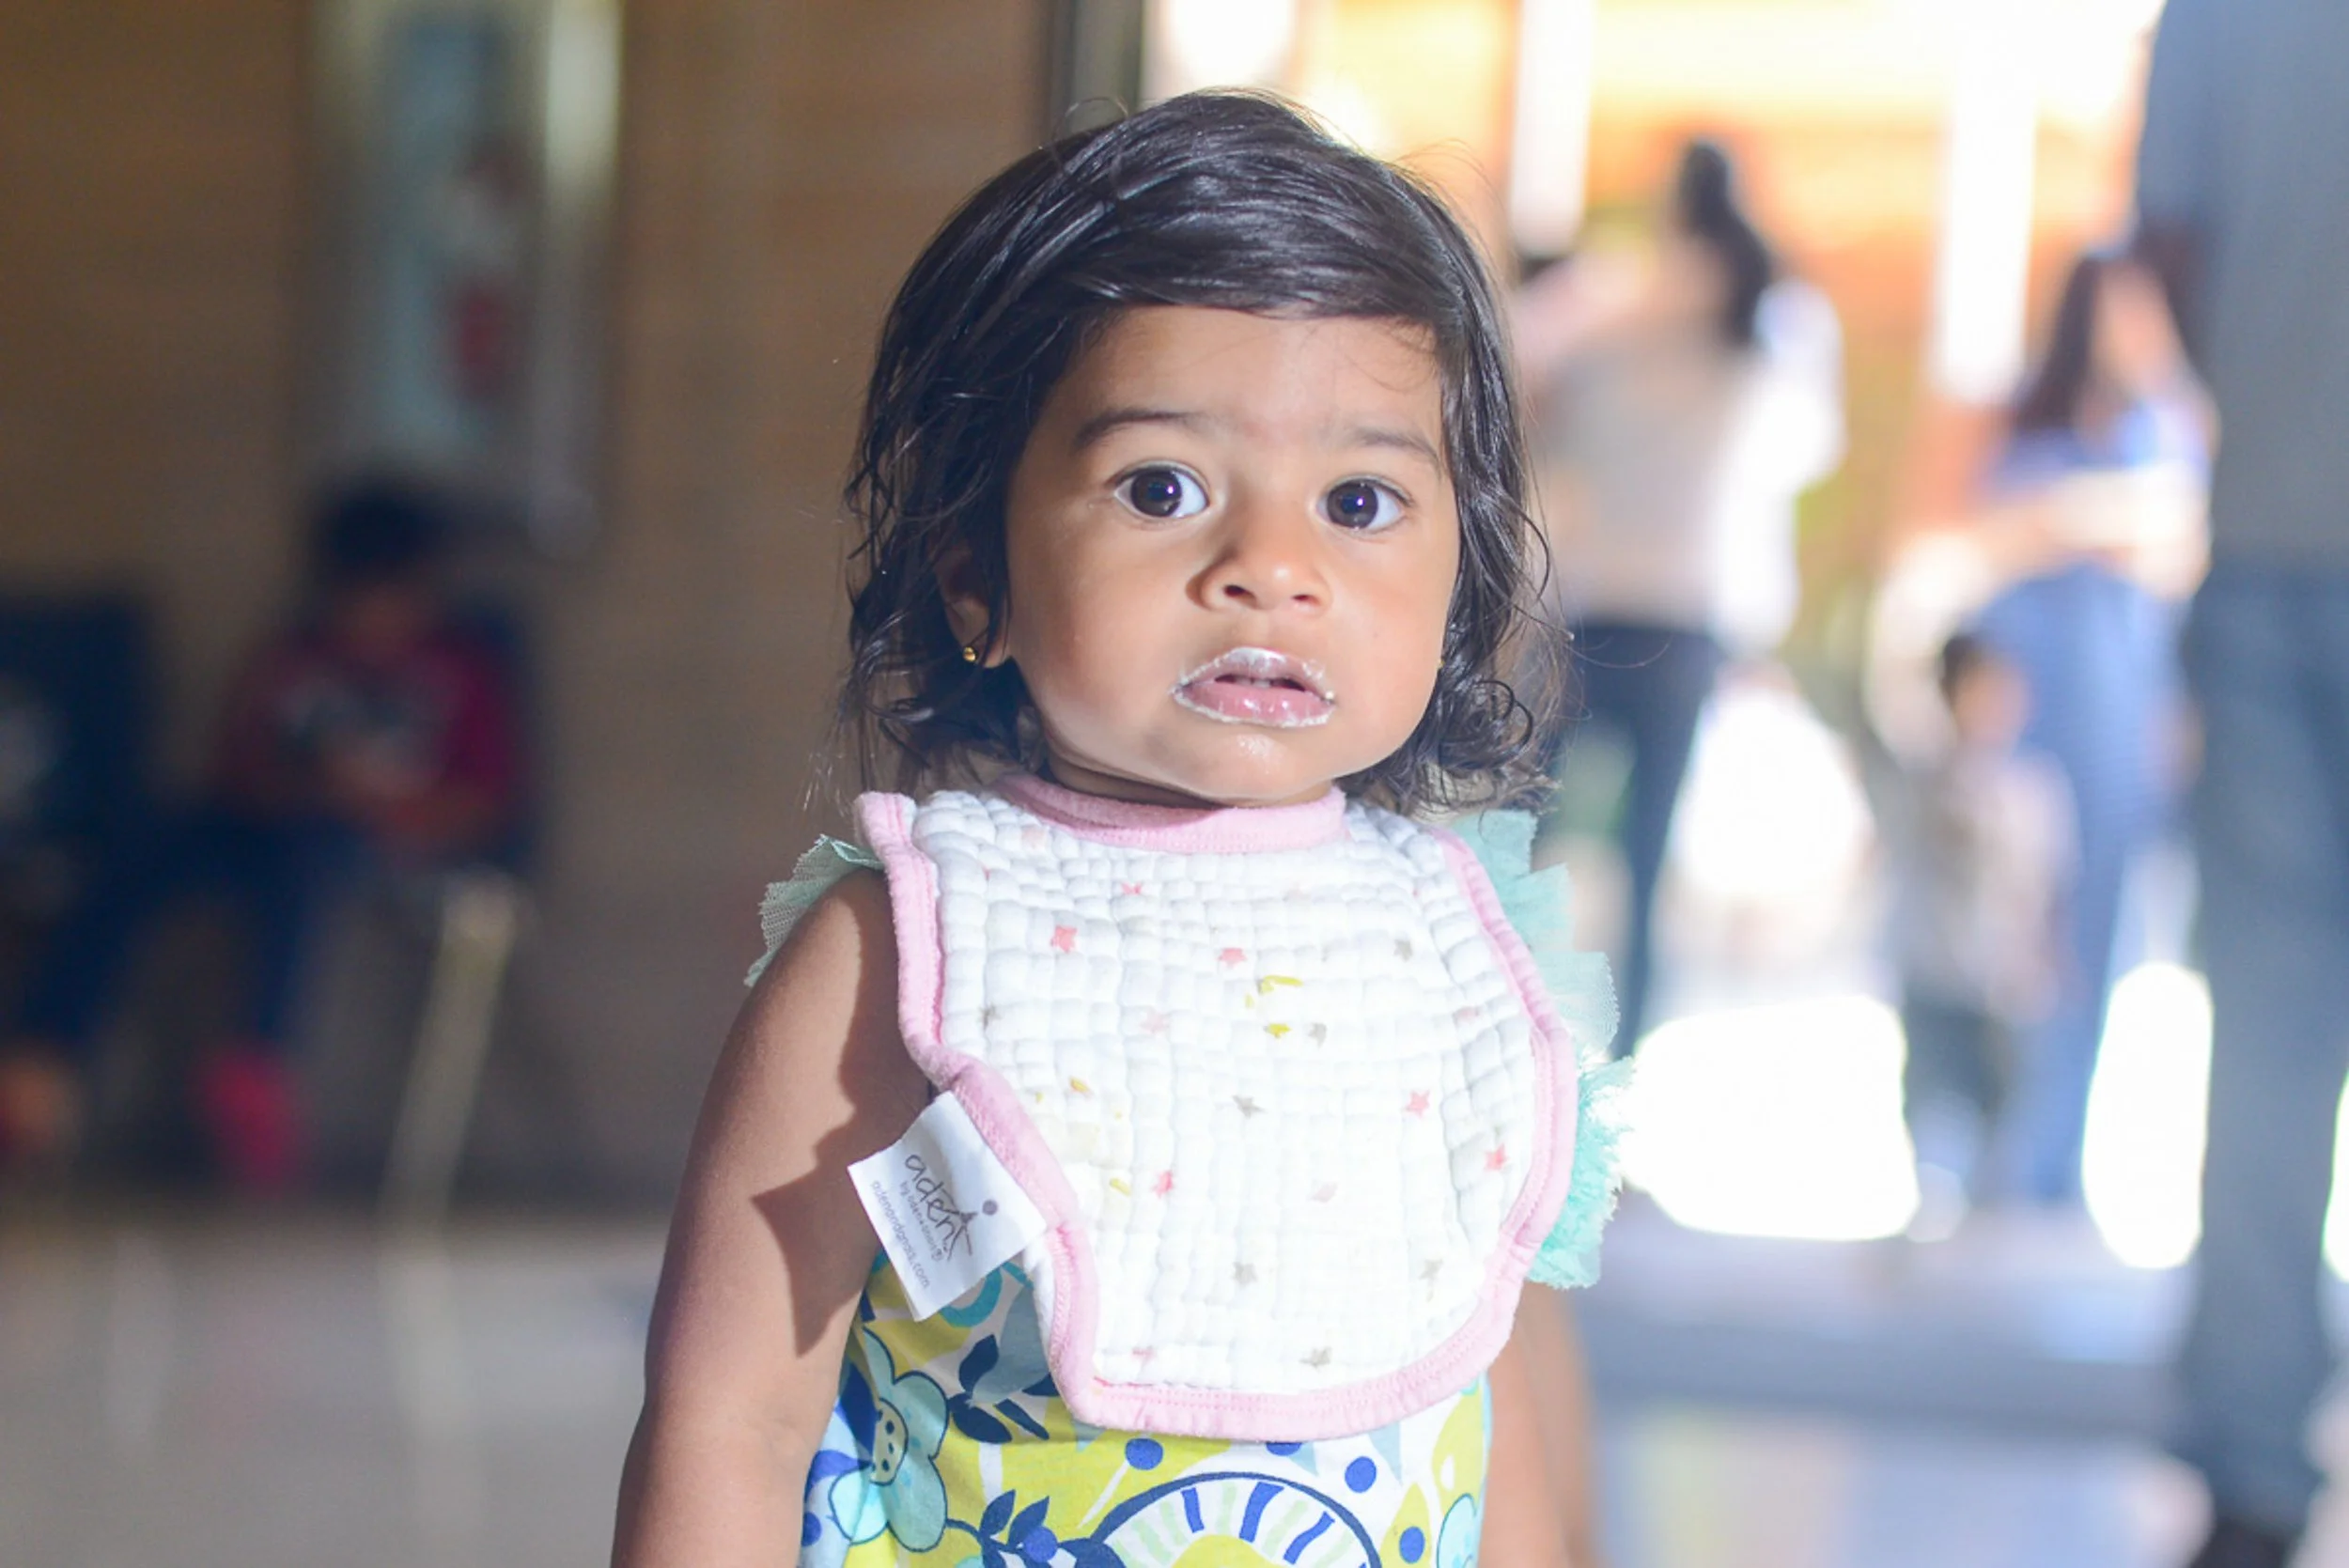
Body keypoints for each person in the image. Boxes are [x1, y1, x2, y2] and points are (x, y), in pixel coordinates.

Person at [612, 94, 1627, 1568]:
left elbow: (1492, 1394)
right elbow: (731, 1419)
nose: (1270, 568)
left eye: (1360, 499)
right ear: (974, 572)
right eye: (1163, 487)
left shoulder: (1465, 958)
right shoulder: (900, 963)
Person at [0, 477, 522, 1190]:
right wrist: (308, 783)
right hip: (268, 826)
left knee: (310, 863)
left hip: (377, 847)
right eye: (353, 596)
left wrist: (382, 804)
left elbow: (490, 801)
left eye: (388, 597)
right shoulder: (294, 657)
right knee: (141, 848)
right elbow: (236, 768)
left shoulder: (463, 671)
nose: (370, 617)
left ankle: (260, 1063)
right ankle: (42, 1059)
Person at [2135, 3, 2349, 1565]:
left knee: (2271, 1028)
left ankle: (2256, 1467)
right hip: (2267, 539)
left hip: (2272, 527)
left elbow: (2175, 248)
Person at [1518, 137, 1843, 1055]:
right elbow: (1806, 451)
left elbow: (1520, 354)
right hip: (1692, 616)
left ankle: (1503, 1037)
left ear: (1673, 204)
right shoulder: (1774, 320)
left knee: (1523, 841)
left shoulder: (1618, 299)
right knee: (1646, 864)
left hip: (1590, 604)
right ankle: (1621, 1074)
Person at [1967, 249, 2204, 1205]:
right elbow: (1996, 541)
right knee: (2014, 937)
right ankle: (1992, 1134)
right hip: (2031, 720)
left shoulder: (2167, 430)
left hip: (2119, 727)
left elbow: (2181, 546)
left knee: (2098, 942)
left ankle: (2052, 1159)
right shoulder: (2033, 426)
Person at [1890, 633, 2073, 1237]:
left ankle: (1991, 1206)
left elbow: (2051, 886)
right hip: (1938, 970)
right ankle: (1933, 1195)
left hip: (2005, 981)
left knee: (2002, 1096)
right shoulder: (1923, 783)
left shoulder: (2036, 789)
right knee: (1932, 1090)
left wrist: (2047, 955)